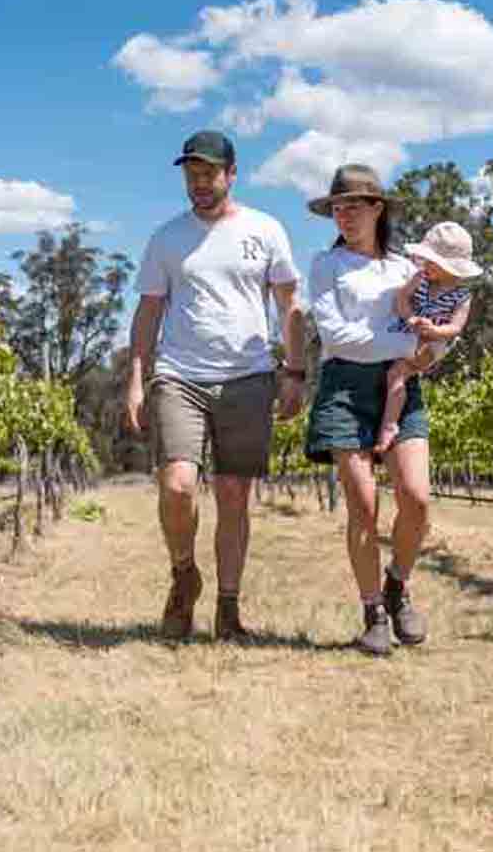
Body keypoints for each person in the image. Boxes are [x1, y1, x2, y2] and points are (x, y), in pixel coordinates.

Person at [123, 130, 307, 642]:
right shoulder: (166, 238)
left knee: (233, 495)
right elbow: (149, 312)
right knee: (178, 485)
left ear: (231, 173)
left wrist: (294, 372)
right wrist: (136, 379)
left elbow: (289, 306)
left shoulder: (266, 230)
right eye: (191, 174)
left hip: (249, 376)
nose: (199, 183)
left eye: (208, 173)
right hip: (180, 375)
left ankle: (229, 610)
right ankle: (184, 575)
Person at [302, 163, 433, 657]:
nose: (344, 216)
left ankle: (398, 584)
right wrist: (399, 342)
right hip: (344, 389)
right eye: (337, 208)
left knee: (416, 498)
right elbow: (338, 339)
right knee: (363, 505)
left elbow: (432, 334)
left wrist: (415, 352)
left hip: (402, 386)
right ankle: (373, 609)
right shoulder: (325, 266)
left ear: (378, 209)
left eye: (354, 206)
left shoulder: (406, 270)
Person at [374, 221, 481, 455]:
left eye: (433, 261)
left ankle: (390, 425)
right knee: (384, 363)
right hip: (411, 331)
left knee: (397, 372)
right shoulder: (420, 279)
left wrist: (434, 331)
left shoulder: (462, 296)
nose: (426, 264)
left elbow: (455, 328)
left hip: (435, 342)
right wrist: (411, 317)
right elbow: (401, 299)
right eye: (426, 259)